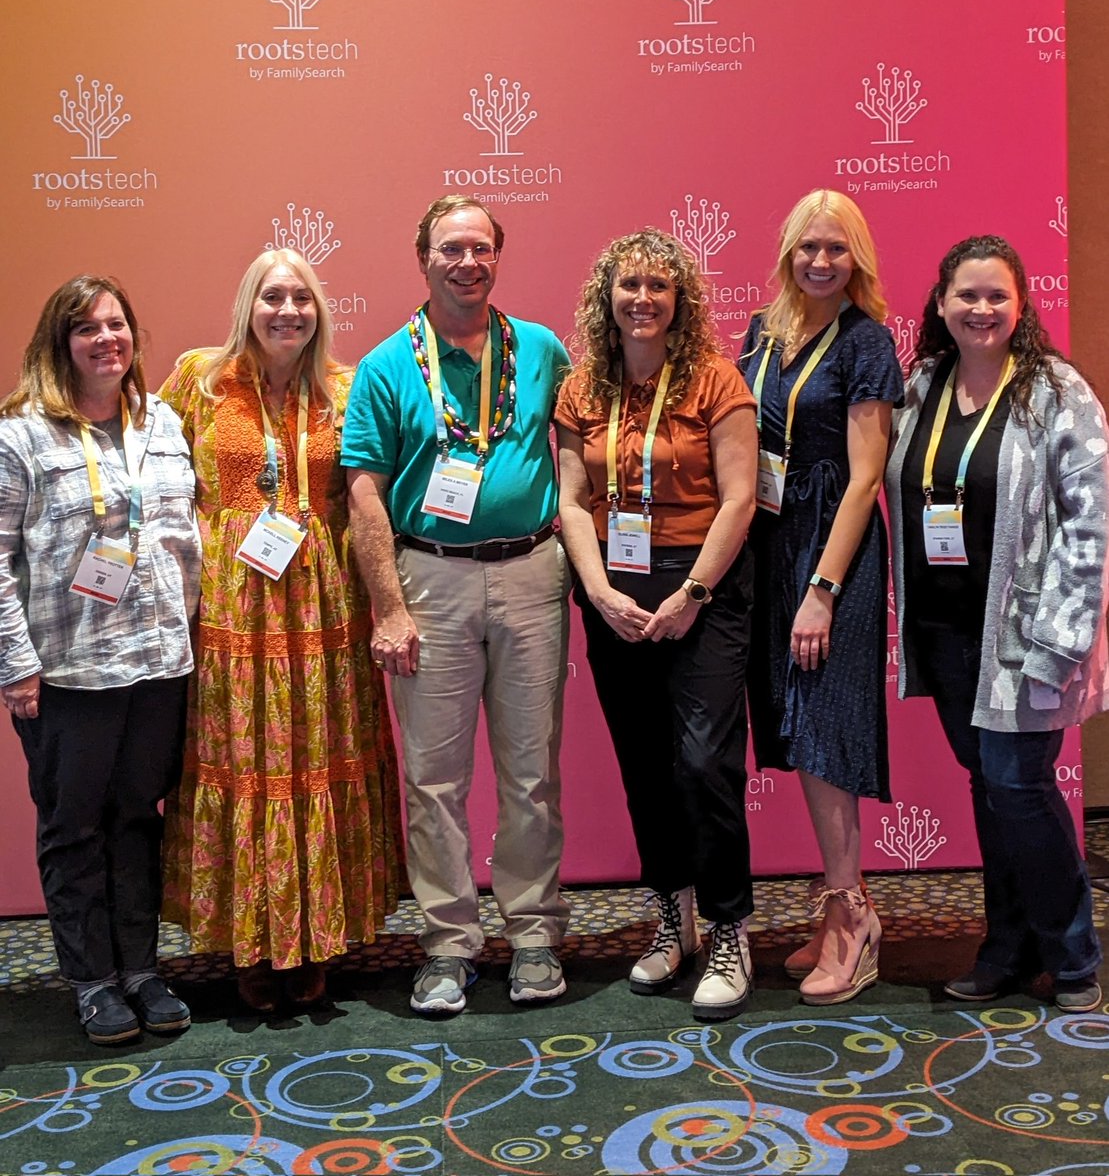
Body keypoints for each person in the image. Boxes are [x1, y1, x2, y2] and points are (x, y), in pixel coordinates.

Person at [342, 195, 571, 1016]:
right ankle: (447, 943)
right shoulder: (384, 366)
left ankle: (535, 934)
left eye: (480, 248)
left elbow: (582, 454)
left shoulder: (541, 349)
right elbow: (364, 495)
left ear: (497, 257)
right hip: (428, 580)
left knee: (532, 769)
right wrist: (389, 610)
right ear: (423, 258)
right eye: (450, 249)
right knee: (433, 778)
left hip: (531, 573)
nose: (466, 262)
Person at [160, 248, 404, 1012]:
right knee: (245, 763)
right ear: (247, 306)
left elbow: (371, 493)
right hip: (232, 608)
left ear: (319, 311)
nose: (287, 311)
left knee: (317, 757)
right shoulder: (199, 380)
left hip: (325, 605)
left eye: (301, 297)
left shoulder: (347, 385)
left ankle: (315, 936)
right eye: (272, 297)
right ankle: (251, 942)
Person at [886, 235, 1107, 1013]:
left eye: (995, 297)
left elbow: (1090, 522)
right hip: (946, 631)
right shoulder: (920, 386)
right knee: (989, 786)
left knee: (1017, 785)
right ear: (939, 303)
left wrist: (1065, 638)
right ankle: (1007, 949)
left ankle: (1073, 953)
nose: (980, 310)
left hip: (1026, 633)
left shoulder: (1055, 392)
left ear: (1020, 306)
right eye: (965, 296)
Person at [555, 229, 758, 1020]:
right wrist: (599, 590)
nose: (642, 298)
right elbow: (572, 499)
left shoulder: (713, 381)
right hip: (613, 590)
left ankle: (730, 926)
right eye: (628, 284)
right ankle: (671, 919)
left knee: (703, 762)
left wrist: (693, 595)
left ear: (680, 302)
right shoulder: (581, 389)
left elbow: (739, 498)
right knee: (644, 763)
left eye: (658, 286)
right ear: (607, 298)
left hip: (700, 589)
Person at [0, 276, 200, 1043]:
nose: (105, 339)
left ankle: (143, 971)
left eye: (116, 324)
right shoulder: (21, 434)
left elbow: (182, 538)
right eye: (87, 328)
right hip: (67, 668)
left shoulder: (163, 422)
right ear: (61, 341)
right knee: (72, 824)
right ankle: (91, 981)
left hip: (157, 660)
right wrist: (15, 664)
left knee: (136, 819)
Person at [739, 189, 902, 1006]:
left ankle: (851, 921)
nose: (820, 261)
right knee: (796, 730)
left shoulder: (867, 343)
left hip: (830, 555)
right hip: (769, 547)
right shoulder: (761, 333)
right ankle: (844, 900)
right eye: (808, 246)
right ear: (786, 253)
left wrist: (823, 591)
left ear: (856, 259)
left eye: (836, 249)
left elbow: (866, 474)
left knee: (827, 727)